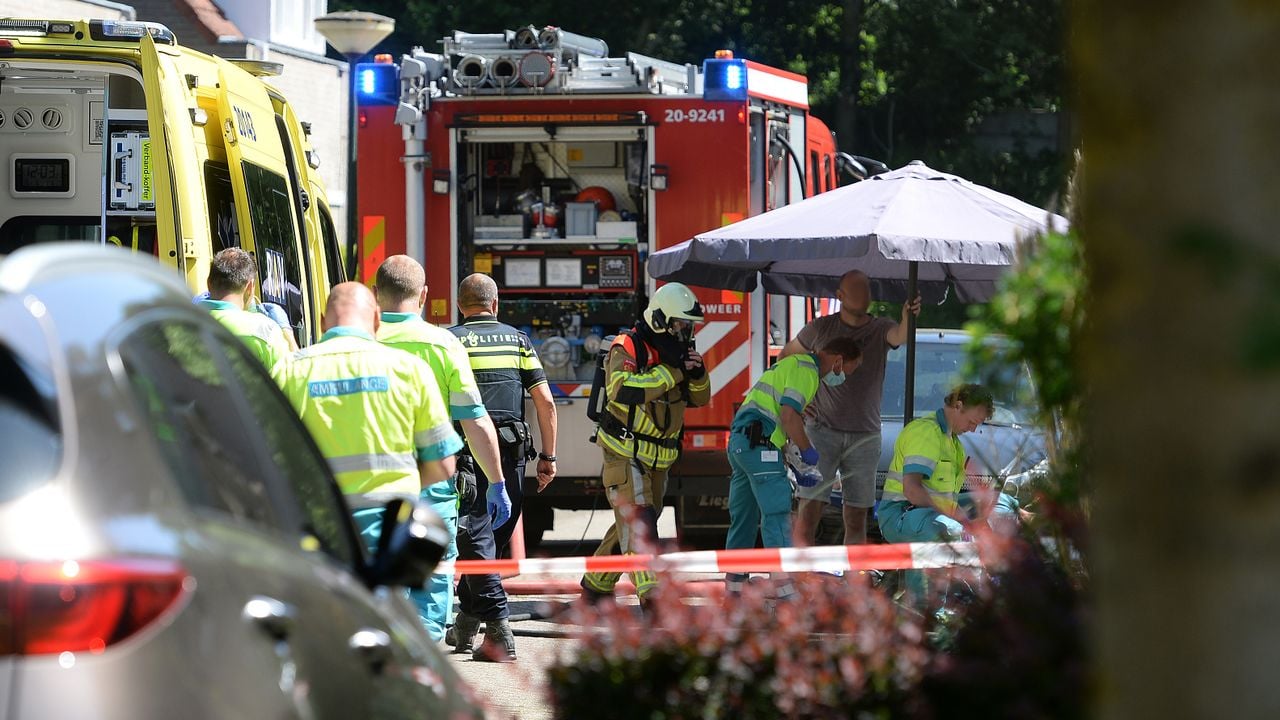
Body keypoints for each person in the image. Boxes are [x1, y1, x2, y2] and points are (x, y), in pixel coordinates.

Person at [278, 282, 462, 633]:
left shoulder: (290, 370)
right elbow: (443, 464)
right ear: (376, 318)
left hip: (317, 531)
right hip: (389, 532)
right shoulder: (409, 369)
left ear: (321, 321)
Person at [373, 257, 513, 657]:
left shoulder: (358, 342)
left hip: (364, 485)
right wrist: (498, 482)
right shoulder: (443, 344)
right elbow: (475, 421)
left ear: (375, 295)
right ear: (423, 297)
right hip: (430, 483)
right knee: (429, 582)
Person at [580, 282, 710, 611]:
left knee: (633, 521)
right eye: (681, 324)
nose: (686, 331)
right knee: (640, 524)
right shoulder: (628, 345)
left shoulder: (680, 354)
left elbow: (700, 398)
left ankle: (594, 587)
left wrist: (697, 374)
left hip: (659, 459)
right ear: (662, 320)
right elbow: (623, 390)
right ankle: (652, 600)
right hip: (625, 451)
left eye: (689, 325)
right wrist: (673, 373)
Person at [779, 270, 921, 546]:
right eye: (856, 290)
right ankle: (800, 580)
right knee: (809, 512)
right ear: (840, 296)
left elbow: (900, 335)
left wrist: (908, 316)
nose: (863, 296)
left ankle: (853, 583)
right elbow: (786, 357)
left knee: (857, 517)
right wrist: (798, 398)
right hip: (821, 432)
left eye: (866, 289)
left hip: (865, 435)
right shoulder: (820, 328)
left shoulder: (880, 328)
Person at [723, 336, 863, 598]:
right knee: (776, 516)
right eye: (848, 371)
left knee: (744, 518)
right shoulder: (808, 372)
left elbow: (784, 412)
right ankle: (785, 591)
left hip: (741, 444)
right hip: (759, 445)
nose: (844, 378)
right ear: (838, 361)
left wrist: (791, 451)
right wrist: (807, 452)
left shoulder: (793, 364)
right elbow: (789, 417)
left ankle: (734, 589)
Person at [877, 383, 1021, 605]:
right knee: (948, 529)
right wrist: (962, 522)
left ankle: (986, 590)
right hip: (902, 513)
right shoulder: (926, 433)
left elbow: (950, 500)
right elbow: (912, 491)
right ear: (958, 405)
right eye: (972, 422)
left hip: (933, 512)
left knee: (1002, 502)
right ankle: (924, 608)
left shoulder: (953, 443)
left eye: (978, 424)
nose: (973, 429)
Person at [451, 273, 559, 560]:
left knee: (467, 527)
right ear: (496, 303)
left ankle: (475, 597)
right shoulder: (518, 341)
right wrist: (548, 458)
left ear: (460, 305)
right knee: (498, 528)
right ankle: (483, 596)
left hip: (461, 452)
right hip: (509, 453)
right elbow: (545, 402)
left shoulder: (448, 341)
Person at [197, 247, 293, 374]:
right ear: (250, 287)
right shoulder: (265, 331)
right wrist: (287, 333)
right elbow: (292, 380)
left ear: (208, 284)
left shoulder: (175, 323)